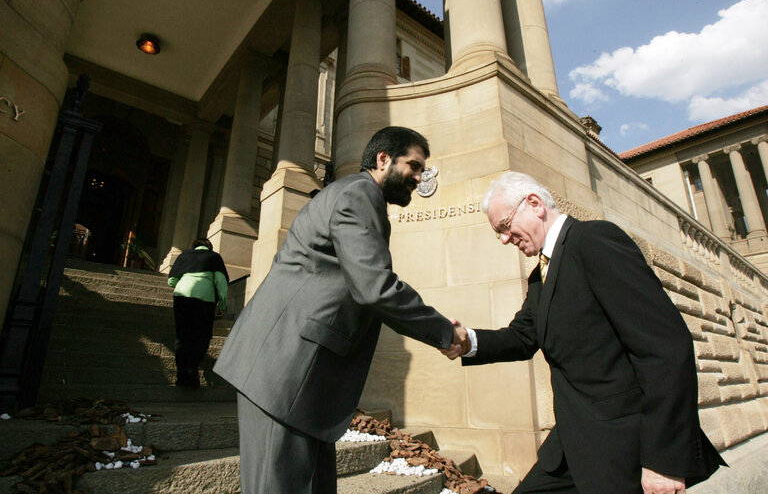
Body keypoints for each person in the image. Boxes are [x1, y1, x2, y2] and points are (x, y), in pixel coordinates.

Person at [214, 126, 462, 494]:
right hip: (284, 373)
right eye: (414, 165)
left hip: (299, 380)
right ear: (383, 159)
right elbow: (374, 287)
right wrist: (444, 332)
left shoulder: (355, 195)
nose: (420, 176)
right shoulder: (359, 195)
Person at [445, 171, 725, 494]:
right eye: (500, 234)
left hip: (625, 450)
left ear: (534, 204)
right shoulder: (540, 276)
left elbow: (666, 347)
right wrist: (468, 341)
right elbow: (522, 337)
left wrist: (665, 461)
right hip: (572, 449)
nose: (506, 239)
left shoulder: (594, 241)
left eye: (505, 226)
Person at [168, 238, 228, 388]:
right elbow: (221, 282)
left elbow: (171, 281)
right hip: (205, 298)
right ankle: (192, 368)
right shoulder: (214, 257)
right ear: (209, 247)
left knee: (182, 336)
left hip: (182, 296)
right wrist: (222, 303)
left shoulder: (184, 256)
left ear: (194, 246)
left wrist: (184, 283)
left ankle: (182, 375)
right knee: (202, 335)